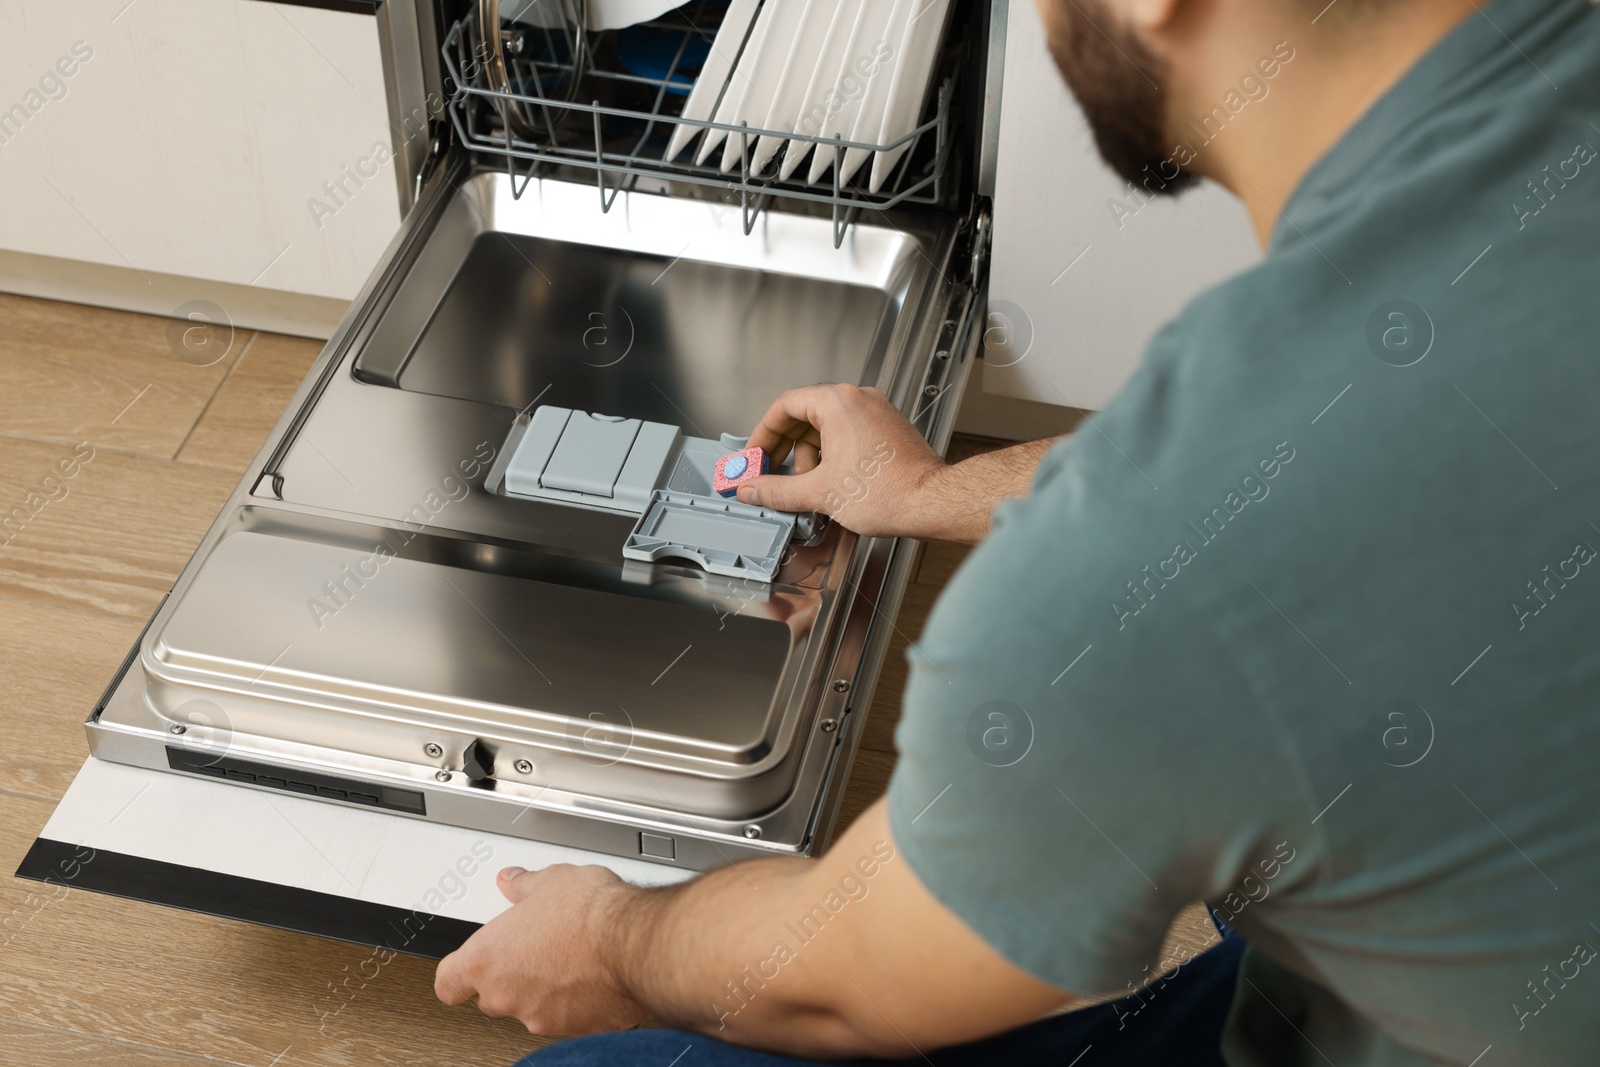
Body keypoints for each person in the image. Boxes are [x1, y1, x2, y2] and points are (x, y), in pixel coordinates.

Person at [435, 0, 1600, 1062]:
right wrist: (934, 493)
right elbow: (1317, 474)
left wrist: (615, 933)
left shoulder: (1169, 530)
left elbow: (843, 980)